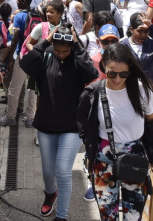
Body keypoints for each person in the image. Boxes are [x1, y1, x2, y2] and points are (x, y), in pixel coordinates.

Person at [20, 24, 96, 219]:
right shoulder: (45, 56)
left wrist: (78, 46)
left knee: (63, 171)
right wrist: (45, 41)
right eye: (58, 50)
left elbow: (92, 74)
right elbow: (25, 64)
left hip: (72, 125)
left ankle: (62, 215)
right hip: (46, 123)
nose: (62, 54)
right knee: (47, 171)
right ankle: (50, 194)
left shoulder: (78, 59)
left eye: (66, 50)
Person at [77, 43, 153, 221]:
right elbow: (83, 125)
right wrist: (90, 151)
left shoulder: (142, 90)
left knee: (134, 215)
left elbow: (152, 123)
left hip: (135, 157)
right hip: (103, 159)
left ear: (130, 69)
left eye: (123, 74)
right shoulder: (93, 92)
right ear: (103, 67)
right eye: (111, 73)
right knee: (108, 215)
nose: (117, 78)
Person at [1, 0, 38, 127]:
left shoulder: (19, 16)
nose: (16, 1)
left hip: (22, 57)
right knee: (32, 89)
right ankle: (30, 118)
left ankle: (10, 116)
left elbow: (15, 38)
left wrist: (10, 58)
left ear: (23, 1)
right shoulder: (37, 15)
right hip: (35, 56)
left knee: (14, 88)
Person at [121, 13, 153, 88]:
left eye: (146, 31)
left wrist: (152, 28)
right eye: (140, 31)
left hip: (150, 89)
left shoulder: (152, 44)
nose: (143, 35)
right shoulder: (122, 46)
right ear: (131, 29)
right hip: (129, 89)